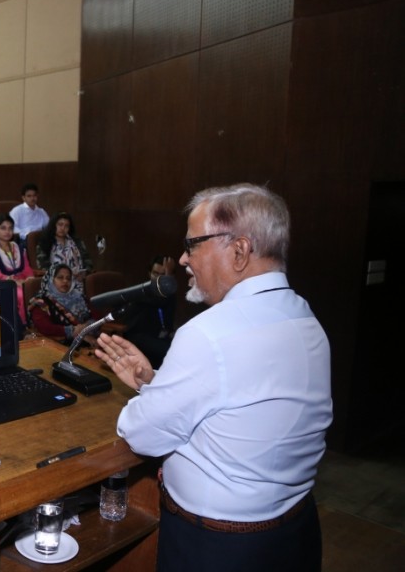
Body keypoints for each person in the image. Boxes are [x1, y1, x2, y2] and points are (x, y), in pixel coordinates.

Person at [94, 183, 331, 572]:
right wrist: (156, 383)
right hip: (296, 533)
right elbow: (240, 411)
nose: (184, 259)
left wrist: (147, 401)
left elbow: (140, 433)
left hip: (220, 548)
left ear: (239, 251)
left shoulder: (210, 333)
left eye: (193, 244)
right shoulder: (305, 318)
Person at [112, 256, 177, 368]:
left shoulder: (168, 294)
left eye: (162, 275)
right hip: (137, 336)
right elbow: (160, 300)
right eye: (155, 273)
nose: (158, 278)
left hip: (158, 336)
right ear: (149, 273)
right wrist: (168, 276)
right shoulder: (143, 291)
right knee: (171, 353)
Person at [0, 214, 34, 325]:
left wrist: (30, 280)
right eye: (3, 228)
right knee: (22, 295)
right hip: (3, 284)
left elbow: (26, 268)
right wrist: (11, 280)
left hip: (21, 281)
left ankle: (36, 324)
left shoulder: (17, 247)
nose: (7, 232)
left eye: (10, 228)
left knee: (34, 289)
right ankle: (23, 325)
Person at [28, 264, 94, 344]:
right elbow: (45, 328)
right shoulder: (41, 302)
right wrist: (73, 331)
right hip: (58, 345)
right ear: (51, 279)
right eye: (60, 277)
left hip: (90, 339)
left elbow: (96, 316)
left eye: (68, 278)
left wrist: (86, 327)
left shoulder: (79, 297)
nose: (65, 281)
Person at [36, 211, 93, 281]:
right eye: (60, 224)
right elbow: (43, 266)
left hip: (79, 279)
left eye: (66, 226)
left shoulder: (77, 241)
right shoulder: (45, 242)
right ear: (54, 225)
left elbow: (88, 261)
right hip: (56, 281)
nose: (63, 228)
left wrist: (85, 272)